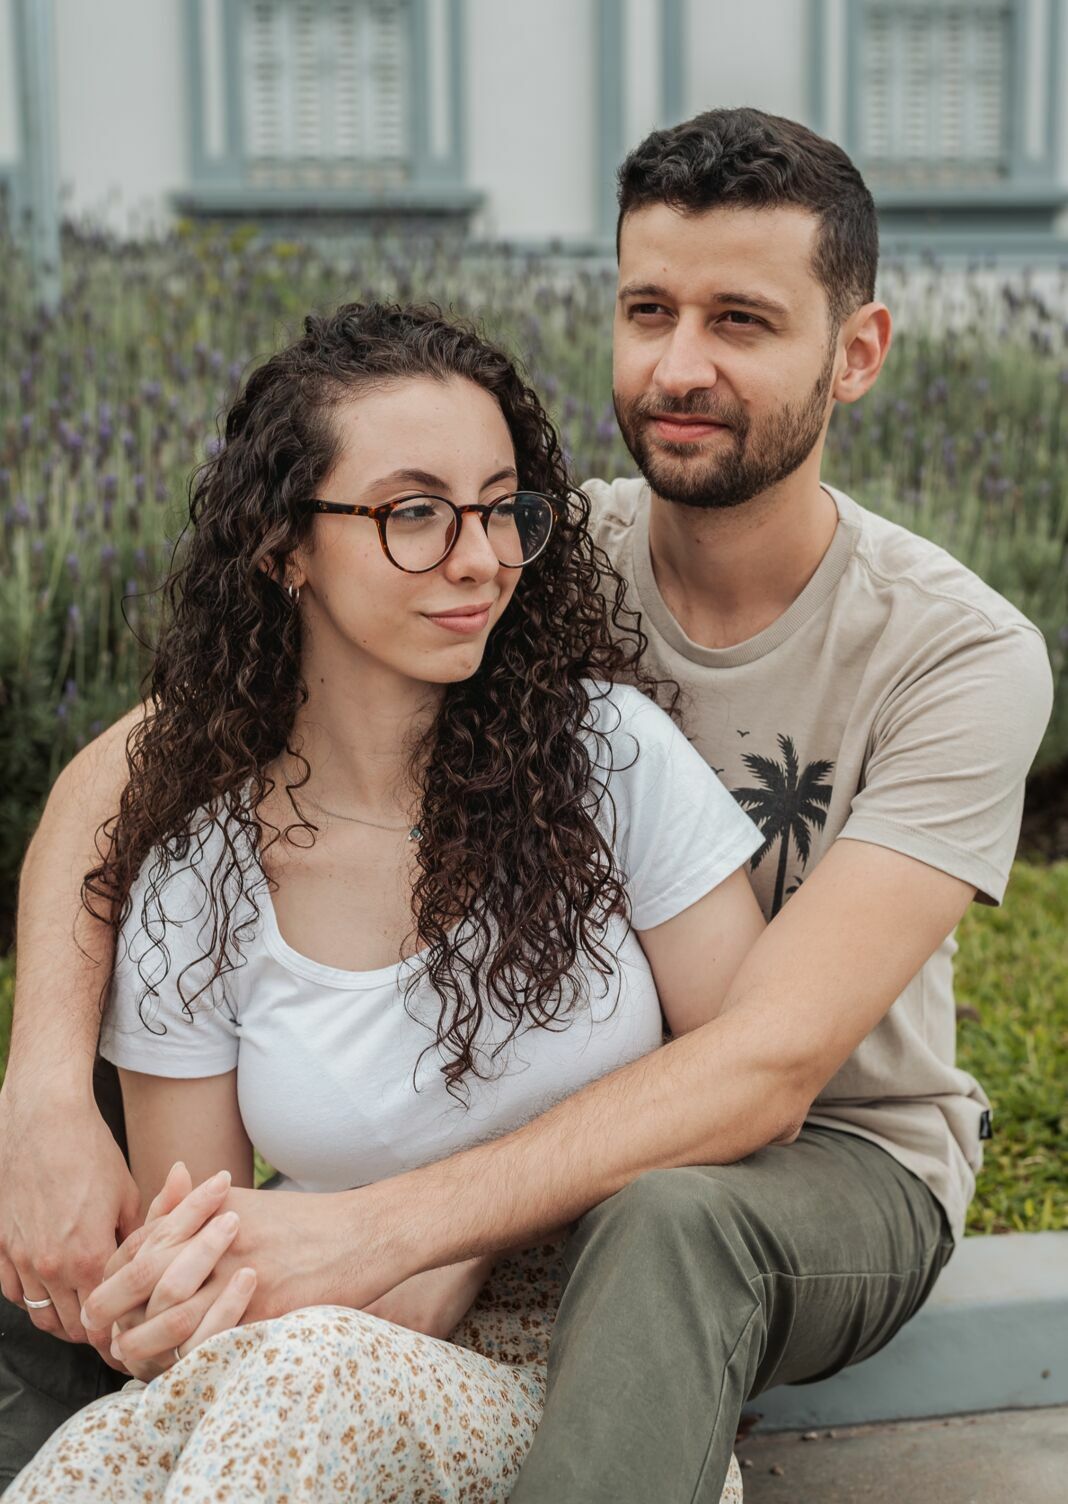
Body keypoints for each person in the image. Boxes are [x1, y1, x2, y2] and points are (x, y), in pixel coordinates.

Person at [0, 109, 1053, 1503]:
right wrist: (37, 1092)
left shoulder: (953, 653)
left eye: (741, 319)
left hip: (827, 1151)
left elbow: (769, 1068)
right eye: (647, 309)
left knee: (667, 1219)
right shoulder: (535, 558)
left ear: (855, 352)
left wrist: (392, 1230)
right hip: (518, 1199)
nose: (681, 364)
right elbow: (127, 773)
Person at [1, 300, 759, 1500]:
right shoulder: (198, 873)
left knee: (309, 1379)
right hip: (302, 1358)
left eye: (503, 505)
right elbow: (197, 1264)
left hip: (597, 1367)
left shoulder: (608, 755)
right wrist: (157, 1305)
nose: (479, 555)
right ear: (283, 546)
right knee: (88, 1470)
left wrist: (449, 1237)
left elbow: (753, 1091)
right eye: (414, 513)